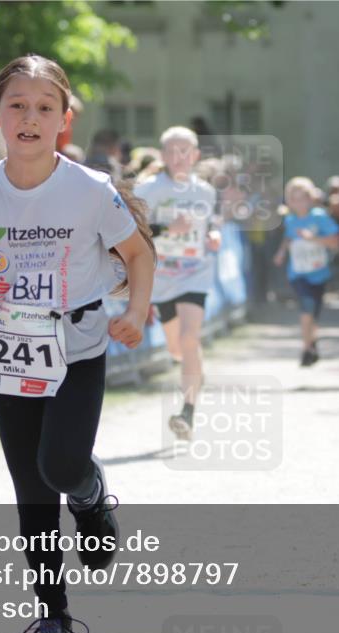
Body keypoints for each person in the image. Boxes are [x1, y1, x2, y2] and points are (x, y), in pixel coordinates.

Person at [0, 54, 155, 633]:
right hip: (13, 352)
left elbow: (138, 256)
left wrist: (134, 313)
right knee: (31, 490)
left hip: (78, 348)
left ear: (64, 120)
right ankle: (53, 616)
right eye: (18, 106)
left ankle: (89, 492)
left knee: (61, 467)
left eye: (44, 108)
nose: (30, 117)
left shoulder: (89, 190)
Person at [134, 126, 221, 440]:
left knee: (189, 338)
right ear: (163, 155)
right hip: (162, 277)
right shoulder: (148, 189)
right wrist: (167, 228)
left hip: (195, 271)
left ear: (195, 155)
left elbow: (210, 224)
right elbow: (132, 229)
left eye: (185, 151)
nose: (179, 157)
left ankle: (187, 413)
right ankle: (194, 371)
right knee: (177, 348)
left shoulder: (206, 192)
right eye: (172, 151)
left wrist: (213, 234)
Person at [274, 177, 339, 365]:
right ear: (289, 201)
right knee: (307, 306)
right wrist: (281, 252)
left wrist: (313, 238)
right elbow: (289, 238)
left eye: (302, 198)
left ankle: (312, 342)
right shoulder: (290, 220)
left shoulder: (319, 217)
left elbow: (336, 242)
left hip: (319, 274)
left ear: (311, 198)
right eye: (294, 199)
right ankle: (306, 349)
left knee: (313, 313)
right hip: (298, 273)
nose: (299, 203)